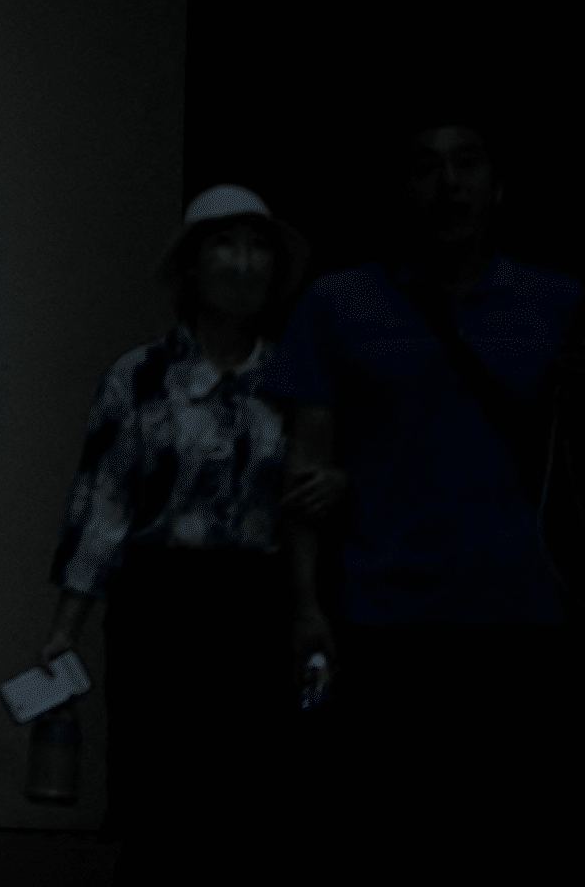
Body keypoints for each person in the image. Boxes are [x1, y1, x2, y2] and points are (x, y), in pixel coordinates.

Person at [263, 120, 580, 879]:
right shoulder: (340, 303)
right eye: (426, 167)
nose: (449, 183)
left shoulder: (557, 303)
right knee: (386, 834)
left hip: (521, 612)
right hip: (384, 617)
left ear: (498, 187)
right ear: (401, 191)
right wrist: (305, 607)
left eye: (467, 163)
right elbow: (303, 469)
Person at [40, 186, 309, 887]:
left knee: (250, 800)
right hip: (161, 600)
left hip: (255, 603)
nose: (243, 263)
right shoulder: (140, 378)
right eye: (225, 244)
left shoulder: (295, 379)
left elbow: (309, 505)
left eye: (258, 247)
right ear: (190, 264)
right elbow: (102, 503)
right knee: (159, 798)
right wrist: (66, 627)